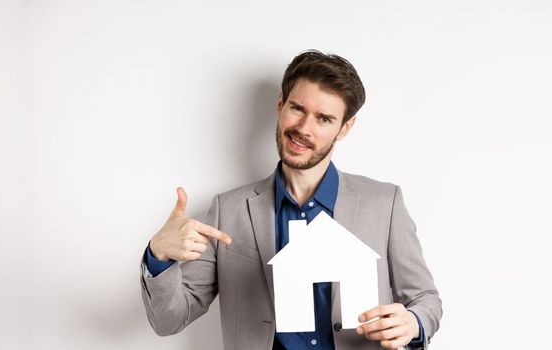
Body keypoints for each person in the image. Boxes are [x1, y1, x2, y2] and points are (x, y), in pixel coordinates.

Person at [140, 50, 442, 350]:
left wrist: (414, 323)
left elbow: (425, 300)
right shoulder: (228, 210)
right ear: (281, 104)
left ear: (345, 128)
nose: (304, 128)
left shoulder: (384, 203)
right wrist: (159, 257)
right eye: (298, 109)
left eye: (324, 118)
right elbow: (169, 320)